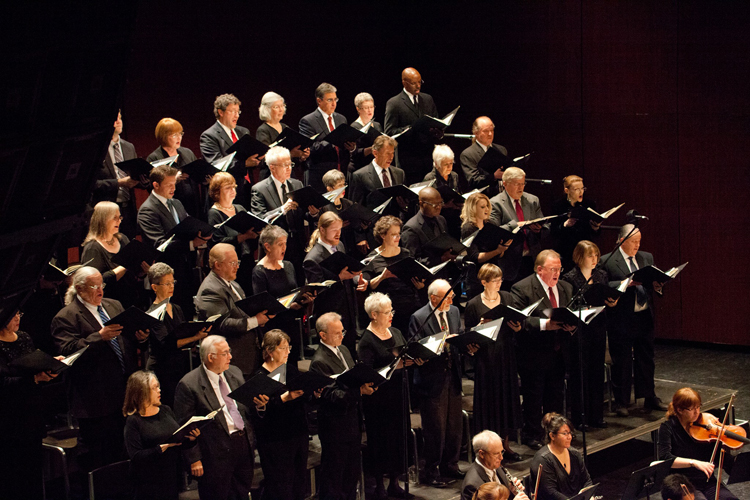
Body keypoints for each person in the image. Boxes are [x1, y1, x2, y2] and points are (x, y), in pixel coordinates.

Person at [51, 267, 149, 469]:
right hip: (95, 397)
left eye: (101, 285)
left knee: (126, 448)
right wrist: (99, 337)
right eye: (93, 286)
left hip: (124, 391)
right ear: (79, 289)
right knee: (100, 454)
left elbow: (127, 339)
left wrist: (141, 338)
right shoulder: (66, 317)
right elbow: (68, 352)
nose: (100, 291)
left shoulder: (114, 305)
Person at [174, 335, 255, 500]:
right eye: (225, 353)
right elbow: (185, 427)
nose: (231, 357)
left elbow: (245, 409)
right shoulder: (189, 385)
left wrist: (259, 405)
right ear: (211, 357)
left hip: (242, 445)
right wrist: (194, 459)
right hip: (214, 452)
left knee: (242, 493)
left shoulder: (235, 372)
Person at [511, 250, 575, 448]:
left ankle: (553, 433)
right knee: (534, 395)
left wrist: (572, 326)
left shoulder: (565, 287)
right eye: (553, 269)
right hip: (534, 353)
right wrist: (544, 324)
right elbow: (519, 320)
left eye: (559, 269)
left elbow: (571, 313)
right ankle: (532, 434)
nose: (557, 273)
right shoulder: (522, 288)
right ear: (540, 270)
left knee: (555, 396)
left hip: (559, 352)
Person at [602, 224, 667, 416]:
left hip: (644, 313)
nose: (637, 245)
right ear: (621, 240)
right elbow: (603, 284)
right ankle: (622, 401)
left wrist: (657, 285)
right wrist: (626, 283)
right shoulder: (608, 260)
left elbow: (652, 282)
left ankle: (649, 396)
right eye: (633, 242)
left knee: (646, 357)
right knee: (621, 359)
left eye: (639, 241)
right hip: (622, 317)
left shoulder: (646, 257)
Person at [358, 292, 418, 499]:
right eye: (386, 311)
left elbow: (403, 354)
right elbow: (366, 372)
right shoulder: (366, 340)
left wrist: (413, 360)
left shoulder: (395, 332)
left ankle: (394, 482)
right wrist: (394, 366)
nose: (391, 314)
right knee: (381, 441)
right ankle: (379, 487)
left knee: (398, 438)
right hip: (378, 398)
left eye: (391, 310)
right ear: (374, 315)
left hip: (398, 394)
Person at [310, 312, 376, 500]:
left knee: (351, 473)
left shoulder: (344, 351)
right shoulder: (319, 361)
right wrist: (359, 391)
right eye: (337, 333)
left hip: (352, 421)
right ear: (323, 335)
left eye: (342, 331)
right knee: (334, 475)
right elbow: (331, 394)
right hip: (335, 426)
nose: (342, 336)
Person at [464, 264, 523, 462]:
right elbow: (468, 335)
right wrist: (478, 327)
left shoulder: (507, 298)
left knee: (506, 400)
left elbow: (517, 323)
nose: (499, 283)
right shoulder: (473, 304)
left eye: (500, 279)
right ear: (484, 282)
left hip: (506, 355)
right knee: (489, 402)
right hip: (486, 359)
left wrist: (517, 328)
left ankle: (506, 445)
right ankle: (490, 448)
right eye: (495, 280)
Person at [409, 279, 465, 487]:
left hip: (453, 375)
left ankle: (450, 465)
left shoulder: (454, 312)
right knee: (435, 429)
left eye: (451, 295)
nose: (452, 298)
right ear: (434, 298)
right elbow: (416, 347)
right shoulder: (419, 317)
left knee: (454, 426)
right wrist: (439, 344)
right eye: (447, 296)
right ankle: (430, 471)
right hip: (432, 379)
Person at [0, 310, 62, 500]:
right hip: (7, 418)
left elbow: (33, 365)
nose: (17, 318)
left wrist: (50, 366)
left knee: (33, 471)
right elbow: (3, 383)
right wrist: (34, 379)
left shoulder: (24, 337)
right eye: (12, 315)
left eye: (19, 313)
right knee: (11, 474)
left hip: (31, 413)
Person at [137, 164, 209, 318]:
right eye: (169, 185)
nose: (173, 188)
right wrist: (191, 244)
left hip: (185, 267)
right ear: (156, 185)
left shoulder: (176, 203)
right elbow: (159, 244)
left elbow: (187, 227)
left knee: (188, 312)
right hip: (166, 271)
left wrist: (201, 234)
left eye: (174, 184)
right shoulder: (147, 210)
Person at [561, 241, 617, 429]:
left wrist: (610, 302)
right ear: (579, 257)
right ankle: (580, 416)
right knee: (580, 373)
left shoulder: (601, 275)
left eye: (596, 255)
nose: (594, 259)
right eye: (589, 256)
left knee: (596, 371)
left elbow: (606, 296)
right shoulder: (569, 278)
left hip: (598, 327)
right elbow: (568, 304)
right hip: (580, 330)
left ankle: (596, 415)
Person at [195, 243, 272, 377]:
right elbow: (222, 324)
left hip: (248, 355)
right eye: (232, 263)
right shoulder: (210, 289)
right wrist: (255, 320)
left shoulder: (233, 284)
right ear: (218, 265)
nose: (237, 267)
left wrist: (262, 316)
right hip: (233, 358)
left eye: (238, 262)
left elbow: (242, 312)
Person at [250, 330, 309, 500]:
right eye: (283, 348)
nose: (288, 352)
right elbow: (259, 414)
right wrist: (283, 398)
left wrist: (313, 392)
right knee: (279, 487)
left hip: (298, 434)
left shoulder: (290, 370)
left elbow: (302, 395)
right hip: (275, 441)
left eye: (288, 347)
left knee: (299, 484)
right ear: (269, 351)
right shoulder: (259, 377)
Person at [123, 370, 200, 500]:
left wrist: (191, 439)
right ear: (142, 392)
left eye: (158, 386)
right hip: (148, 482)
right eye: (154, 388)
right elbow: (135, 456)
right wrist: (159, 449)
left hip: (170, 476)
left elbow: (176, 441)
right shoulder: (134, 421)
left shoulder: (165, 410)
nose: (159, 390)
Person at [303, 212, 367, 357]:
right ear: (322, 230)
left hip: (348, 314)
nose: (338, 234)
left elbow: (347, 273)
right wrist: (338, 278)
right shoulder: (312, 259)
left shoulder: (340, 246)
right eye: (334, 230)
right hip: (330, 317)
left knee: (349, 357)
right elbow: (317, 292)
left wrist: (357, 280)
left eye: (339, 229)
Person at [146, 263, 210, 408]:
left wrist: (196, 333)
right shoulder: (153, 314)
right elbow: (167, 345)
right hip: (162, 370)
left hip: (179, 365)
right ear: (155, 287)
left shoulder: (176, 308)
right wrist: (196, 337)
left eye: (172, 282)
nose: (171, 286)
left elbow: (182, 334)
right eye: (166, 283)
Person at [658, 388, 739, 500]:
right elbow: (665, 458)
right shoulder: (668, 428)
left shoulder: (705, 426)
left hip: (707, 481)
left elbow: (720, 457)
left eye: (698, 407)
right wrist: (694, 463)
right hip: (685, 485)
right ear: (679, 410)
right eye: (692, 409)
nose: (697, 412)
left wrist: (738, 465)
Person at [250, 145, 311, 285]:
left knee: (300, 282)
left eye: (290, 164)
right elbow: (260, 219)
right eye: (284, 165)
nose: (289, 168)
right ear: (272, 167)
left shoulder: (297, 184)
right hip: (275, 246)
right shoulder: (259, 189)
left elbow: (304, 213)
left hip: (297, 243)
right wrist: (282, 209)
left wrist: (312, 213)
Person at [252, 225, 314, 360]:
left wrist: (303, 300)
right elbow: (263, 304)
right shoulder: (259, 272)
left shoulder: (288, 265)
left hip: (292, 323)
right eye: (280, 244)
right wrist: (289, 306)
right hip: (274, 327)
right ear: (268, 247)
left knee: (293, 364)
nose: (284, 248)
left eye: (285, 244)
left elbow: (294, 292)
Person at [362, 216, 425, 334]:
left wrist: (419, 284)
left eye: (398, 234)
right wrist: (382, 276)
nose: (398, 237)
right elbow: (369, 286)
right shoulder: (373, 258)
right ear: (383, 235)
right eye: (393, 234)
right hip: (388, 310)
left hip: (410, 305)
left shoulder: (405, 253)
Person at [82, 201, 150, 308]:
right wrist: (124, 267)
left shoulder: (122, 238)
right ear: (102, 219)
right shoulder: (93, 248)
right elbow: (94, 283)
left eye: (120, 217)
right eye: (115, 218)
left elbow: (133, 272)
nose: (119, 221)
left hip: (133, 298)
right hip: (110, 304)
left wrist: (142, 271)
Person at [489, 167, 548, 287]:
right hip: (510, 261)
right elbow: (493, 233)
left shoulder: (532, 200)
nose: (521, 188)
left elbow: (546, 227)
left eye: (523, 183)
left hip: (532, 258)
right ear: (505, 184)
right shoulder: (495, 203)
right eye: (517, 184)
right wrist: (516, 225)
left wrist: (538, 229)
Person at [200, 93, 261, 206]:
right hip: (226, 192)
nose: (236, 115)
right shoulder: (209, 135)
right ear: (220, 112)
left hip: (247, 187)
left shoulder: (243, 132)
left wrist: (257, 158)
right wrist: (244, 164)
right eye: (232, 111)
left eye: (238, 112)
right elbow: (217, 164)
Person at [384, 67, 441, 185]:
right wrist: (411, 128)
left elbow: (436, 121)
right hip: (408, 160)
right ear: (404, 83)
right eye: (414, 83)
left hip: (428, 158)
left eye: (420, 82)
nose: (418, 86)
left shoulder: (427, 99)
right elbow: (389, 132)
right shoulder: (394, 103)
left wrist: (438, 132)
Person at [92, 110, 141, 238]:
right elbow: (90, 184)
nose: (119, 122)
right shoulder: (96, 148)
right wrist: (118, 183)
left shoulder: (129, 147)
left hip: (127, 209)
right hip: (105, 211)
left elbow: (135, 176)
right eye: (115, 119)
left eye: (120, 118)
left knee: (129, 250)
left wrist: (143, 179)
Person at [299, 82, 356, 193]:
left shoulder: (341, 119)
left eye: (335, 99)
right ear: (319, 101)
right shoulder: (308, 121)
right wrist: (333, 141)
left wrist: (351, 147)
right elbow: (309, 148)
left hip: (341, 172)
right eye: (330, 100)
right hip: (321, 175)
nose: (334, 104)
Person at [206, 172, 259, 290]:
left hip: (247, 261)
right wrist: (243, 237)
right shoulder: (214, 213)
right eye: (227, 188)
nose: (232, 191)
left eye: (234, 187)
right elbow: (217, 241)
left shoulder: (239, 208)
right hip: (229, 265)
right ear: (216, 191)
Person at [146, 117, 204, 220]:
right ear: (163, 136)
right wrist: (173, 179)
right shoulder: (154, 158)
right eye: (174, 135)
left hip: (193, 204)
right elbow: (152, 187)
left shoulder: (187, 153)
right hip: (172, 206)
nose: (179, 138)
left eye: (180, 134)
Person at [460, 192, 513, 299]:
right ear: (473, 209)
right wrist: (497, 251)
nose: (487, 209)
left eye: (487, 206)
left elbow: (499, 255)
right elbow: (475, 257)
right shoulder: (468, 228)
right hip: (477, 277)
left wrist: (503, 248)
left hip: (493, 274)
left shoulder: (490, 225)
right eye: (482, 207)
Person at [530, 413, 593, 500]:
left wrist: (589, 495)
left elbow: (587, 480)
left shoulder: (575, 454)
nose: (569, 437)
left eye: (570, 433)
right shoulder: (543, 459)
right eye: (565, 434)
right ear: (552, 436)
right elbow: (550, 492)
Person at [256, 91, 310, 181]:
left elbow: (293, 159)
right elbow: (263, 160)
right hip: (271, 178)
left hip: (288, 175)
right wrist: (291, 154)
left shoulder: (285, 127)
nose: (281, 110)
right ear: (267, 109)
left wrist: (301, 156)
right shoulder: (263, 130)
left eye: (282, 106)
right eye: (276, 107)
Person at [550, 175, 601, 272]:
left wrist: (596, 228)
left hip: (585, 249)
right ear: (567, 190)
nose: (581, 192)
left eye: (582, 188)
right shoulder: (558, 205)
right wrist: (565, 225)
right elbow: (553, 232)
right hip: (566, 250)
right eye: (576, 189)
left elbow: (596, 234)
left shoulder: (589, 204)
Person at [349, 135, 407, 219]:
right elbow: (356, 208)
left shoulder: (399, 173)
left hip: (395, 226)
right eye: (387, 153)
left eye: (392, 153)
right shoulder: (359, 176)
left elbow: (404, 204)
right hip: (373, 228)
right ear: (375, 153)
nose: (391, 157)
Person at [462, 430, 530, 500]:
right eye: (496, 454)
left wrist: (513, 492)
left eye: (501, 452)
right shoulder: (472, 485)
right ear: (482, 454)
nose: (501, 457)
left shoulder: (495, 466)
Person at [401, 186, 456, 268]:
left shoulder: (441, 219)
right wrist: (441, 259)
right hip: (428, 276)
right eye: (434, 205)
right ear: (421, 204)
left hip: (445, 271)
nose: (439, 207)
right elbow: (413, 261)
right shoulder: (411, 228)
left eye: (440, 203)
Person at [319, 169, 368, 256]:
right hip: (335, 248)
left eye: (344, 184)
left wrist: (361, 238)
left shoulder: (348, 203)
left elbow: (356, 224)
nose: (344, 187)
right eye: (340, 185)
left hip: (351, 245)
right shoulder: (323, 207)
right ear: (329, 189)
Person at [460, 116, 509, 199]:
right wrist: (493, 176)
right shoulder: (468, 154)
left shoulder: (501, 149)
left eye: (492, 130)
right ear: (476, 133)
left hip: (503, 196)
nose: (490, 134)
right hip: (483, 199)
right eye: (486, 131)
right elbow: (473, 180)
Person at [424, 144, 463, 239]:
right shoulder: (430, 179)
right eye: (446, 164)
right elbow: (426, 206)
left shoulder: (454, 176)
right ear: (437, 164)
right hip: (438, 220)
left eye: (451, 163)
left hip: (455, 218)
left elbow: (459, 193)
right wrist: (444, 205)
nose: (450, 167)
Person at [348, 92, 383, 179]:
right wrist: (372, 149)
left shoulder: (377, 125)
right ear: (358, 109)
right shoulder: (354, 127)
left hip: (376, 168)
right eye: (366, 108)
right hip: (360, 169)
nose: (370, 110)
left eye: (371, 107)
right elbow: (354, 154)